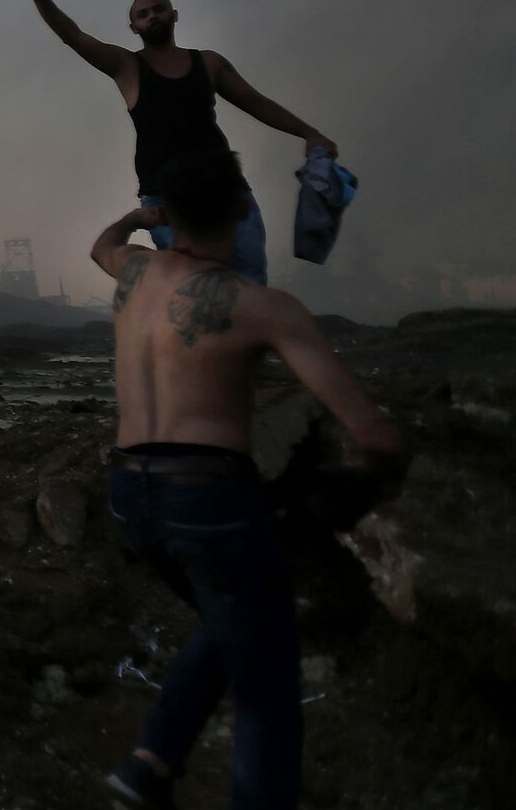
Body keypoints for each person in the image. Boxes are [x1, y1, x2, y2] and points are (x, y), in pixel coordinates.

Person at [89, 150, 408, 808]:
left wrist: (137, 217)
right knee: (265, 685)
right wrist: (367, 472)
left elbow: (104, 241)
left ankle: (150, 764)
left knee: (232, 613)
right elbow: (375, 435)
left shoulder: (135, 269)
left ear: (168, 214)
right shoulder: (263, 306)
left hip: (127, 493)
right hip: (206, 494)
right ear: (244, 209)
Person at [10, 0, 337, 283]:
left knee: (249, 282)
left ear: (174, 15)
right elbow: (75, 37)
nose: (152, 15)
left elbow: (256, 102)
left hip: (227, 192)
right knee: (194, 287)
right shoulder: (128, 67)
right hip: (166, 199)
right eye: (143, 13)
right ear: (134, 28)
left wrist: (309, 133)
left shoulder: (208, 63)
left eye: (159, 9)